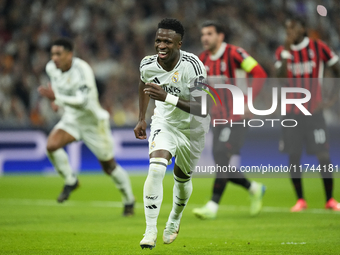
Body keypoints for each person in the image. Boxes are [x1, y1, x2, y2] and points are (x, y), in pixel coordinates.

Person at [134, 18, 210, 250]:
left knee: (182, 178)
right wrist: (141, 117)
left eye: (167, 41)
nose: (161, 45)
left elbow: (202, 107)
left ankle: (175, 219)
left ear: (179, 43)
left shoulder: (193, 66)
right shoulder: (148, 64)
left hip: (192, 129)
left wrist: (167, 96)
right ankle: (149, 231)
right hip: (164, 122)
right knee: (156, 167)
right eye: (158, 40)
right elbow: (143, 84)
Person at [38, 38, 135, 216]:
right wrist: (55, 99)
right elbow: (57, 86)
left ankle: (129, 200)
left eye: (59, 54)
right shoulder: (51, 68)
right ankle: (71, 180)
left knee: (109, 167)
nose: (54, 58)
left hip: (93, 122)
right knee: (51, 146)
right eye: (52, 54)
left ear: (70, 54)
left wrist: (57, 98)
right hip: (72, 119)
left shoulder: (83, 70)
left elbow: (82, 101)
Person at [192, 20, 267, 219]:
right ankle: (253, 188)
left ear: (220, 36)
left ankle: (212, 205)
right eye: (203, 34)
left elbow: (259, 73)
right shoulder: (202, 60)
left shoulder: (235, 53)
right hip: (218, 118)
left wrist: (248, 101)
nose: (204, 38)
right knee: (221, 160)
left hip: (238, 116)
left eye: (209, 33)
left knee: (220, 154)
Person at [275, 17, 340, 212]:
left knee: (323, 154)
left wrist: (332, 98)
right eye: (287, 30)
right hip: (291, 114)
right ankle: (300, 200)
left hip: (314, 112)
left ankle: (330, 199)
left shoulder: (318, 47)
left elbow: (337, 69)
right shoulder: (282, 52)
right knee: (294, 156)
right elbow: (280, 78)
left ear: (303, 28)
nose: (290, 32)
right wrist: (287, 50)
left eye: (293, 27)